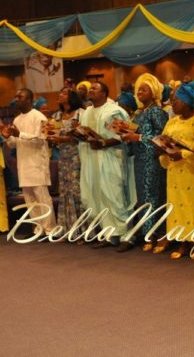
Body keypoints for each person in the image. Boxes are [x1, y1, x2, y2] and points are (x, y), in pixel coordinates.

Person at [78, 82, 136, 250]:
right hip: (91, 159)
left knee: (115, 196)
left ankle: (127, 235)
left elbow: (123, 135)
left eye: (95, 88)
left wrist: (103, 142)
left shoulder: (113, 111)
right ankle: (110, 234)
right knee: (97, 196)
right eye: (90, 88)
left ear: (104, 93)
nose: (91, 90)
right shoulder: (87, 111)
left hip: (111, 159)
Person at [155, 82, 194, 259]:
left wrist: (183, 154)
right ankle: (180, 239)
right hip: (174, 171)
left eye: (177, 100)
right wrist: (161, 149)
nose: (173, 103)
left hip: (192, 172)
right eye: (172, 100)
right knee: (176, 206)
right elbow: (164, 139)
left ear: (189, 100)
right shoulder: (172, 121)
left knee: (193, 207)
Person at [120, 74, 169, 252]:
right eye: (138, 89)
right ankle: (147, 234)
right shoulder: (139, 113)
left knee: (153, 196)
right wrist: (125, 134)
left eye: (144, 89)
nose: (139, 92)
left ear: (154, 92)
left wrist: (137, 137)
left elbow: (163, 137)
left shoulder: (156, 111)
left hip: (153, 159)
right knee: (143, 197)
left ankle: (158, 235)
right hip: (140, 159)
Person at [2, 88, 56, 235]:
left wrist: (20, 134)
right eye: (16, 96)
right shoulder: (17, 119)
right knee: (30, 199)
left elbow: (42, 140)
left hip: (37, 163)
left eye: (20, 97)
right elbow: (14, 144)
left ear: (29, 100)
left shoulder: (39, 117)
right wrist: (7, 137)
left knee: (42, 198)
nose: (16, 99)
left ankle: (50, 230)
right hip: (23, 164)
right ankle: (38, 229)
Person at [47, 87, 85, 239]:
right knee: (65, 191)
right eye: (60, 93)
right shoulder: (56, 116)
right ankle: (68, 229)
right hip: (63, 157)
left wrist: (61, 139)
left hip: (77, 155)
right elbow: (53, 134)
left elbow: (81, 136)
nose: (60, 95)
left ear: (72, 97)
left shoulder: (80, 113)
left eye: (64, 93)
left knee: (77, 191)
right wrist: (49, 137)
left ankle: (83, 230)